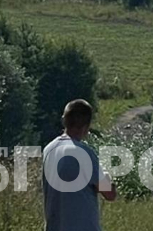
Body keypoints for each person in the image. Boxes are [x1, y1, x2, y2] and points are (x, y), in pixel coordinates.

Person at [42, 99, 115, 231]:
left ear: (64, 120)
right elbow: (110, 194)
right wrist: (108, 177)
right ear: (86, 127)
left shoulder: (48, 149)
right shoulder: (84, 153)